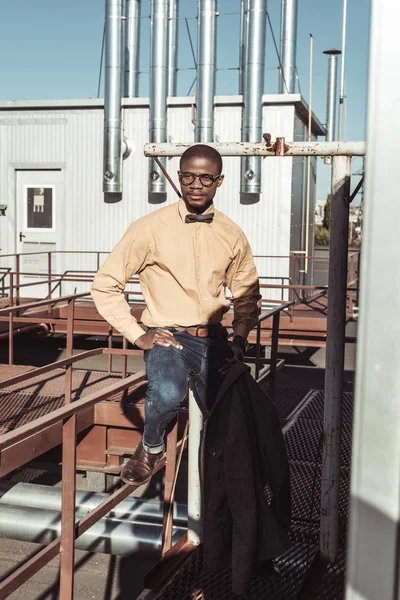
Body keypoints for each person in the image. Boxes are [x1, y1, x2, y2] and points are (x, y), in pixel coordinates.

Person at [91, 144, 261, 486]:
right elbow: (105, 284)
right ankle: (151, 447)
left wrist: (240, 337)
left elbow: (247, 294)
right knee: (168, 393)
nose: (196, 184)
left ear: (219, 181)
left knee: (242, 409)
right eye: (188, 176)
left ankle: (226, 480)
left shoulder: (231, 234)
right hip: (168, 335)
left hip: (214, 339)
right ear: (180, 176)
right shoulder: (150, 228)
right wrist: (138, 332)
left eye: (206, 177)